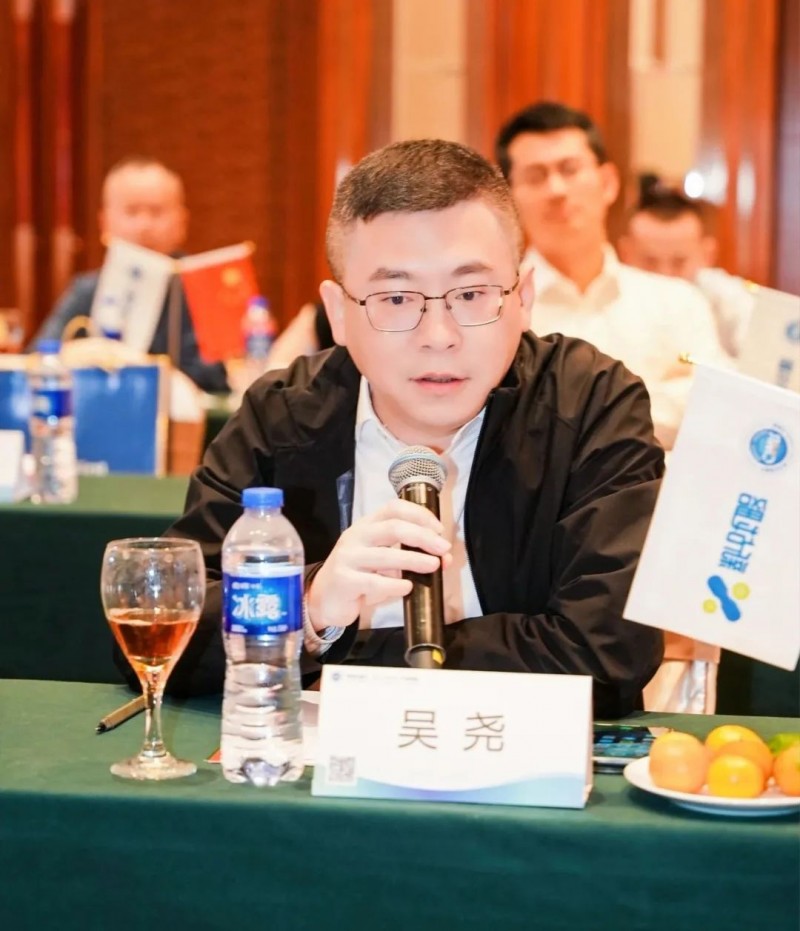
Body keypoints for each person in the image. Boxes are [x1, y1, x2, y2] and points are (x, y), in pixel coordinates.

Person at [160, 138, 665, 719]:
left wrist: (338, 659)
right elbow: (172, 629)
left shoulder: (592, 404)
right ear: (339, 314)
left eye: (471, 294)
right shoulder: (280, 415)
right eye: (396, 298)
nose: (439, 336)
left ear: (523, 298)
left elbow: (609, 650)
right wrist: (309, 605)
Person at [495, 101, 732, 450]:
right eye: (536, 176)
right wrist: (654, 397)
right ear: (508, 198)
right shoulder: (495, 309)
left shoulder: (677, 302)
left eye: (570, 169)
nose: (556, 189)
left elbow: (718, 406)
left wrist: (570, 412)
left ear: (607, 183)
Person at [30, 157, 229, 393]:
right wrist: (74, 352)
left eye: (156, 212)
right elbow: (35, 360)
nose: (144, 225)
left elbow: (221, 379)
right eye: (131, 211)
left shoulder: (206, 288)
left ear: (182, 222)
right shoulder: (87, 290)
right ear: (104, 222)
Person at [618, 184, 753, 358]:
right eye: (650, 262)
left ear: (708, 255)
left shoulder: (729, 299)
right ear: (625, 253)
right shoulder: (609, 299)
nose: (665, 275)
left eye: (678, 262)